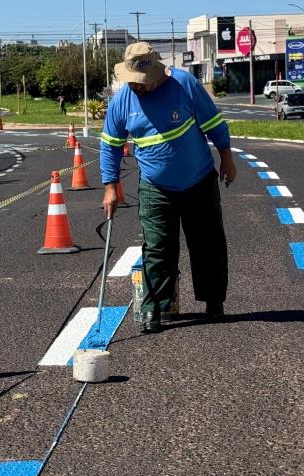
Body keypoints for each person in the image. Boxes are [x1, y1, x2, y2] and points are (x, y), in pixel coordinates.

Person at [100, 42, 237, 334]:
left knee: (208, 243)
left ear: (156, 73)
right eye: (133, 81)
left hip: (199, 180)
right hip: (155, 187)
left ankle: (214, 301)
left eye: (142, 81)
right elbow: (110, 145)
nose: (138, 86)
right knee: (157, 248)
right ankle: (154, 308)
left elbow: (214, 123)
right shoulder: (122, 101)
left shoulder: (184, 84)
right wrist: (110, 187)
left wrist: (227, 158)